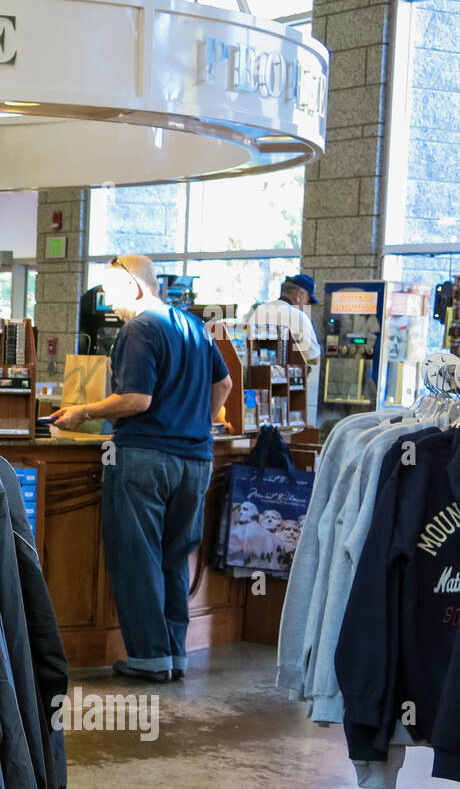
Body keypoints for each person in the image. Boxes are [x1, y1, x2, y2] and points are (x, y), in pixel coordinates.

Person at [51, 253, 232, 683]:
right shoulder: (192, 326)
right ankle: (174, 654)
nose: (109, 306)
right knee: (174, 558)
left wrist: (83, 410)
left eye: (112, 294)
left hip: (144, 458)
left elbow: (136, 399)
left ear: (135, 287)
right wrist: (193, 423)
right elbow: (223, 384)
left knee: (137, 556)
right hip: (196, 460)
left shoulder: (139, 328)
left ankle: (149, 658)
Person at [242, 273, 322, 425]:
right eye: (307, 300)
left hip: (252, 390)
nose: (306, 305)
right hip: (287, 398)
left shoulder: (256, 312)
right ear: (300, 295)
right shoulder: (298, 317)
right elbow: (314, 357)